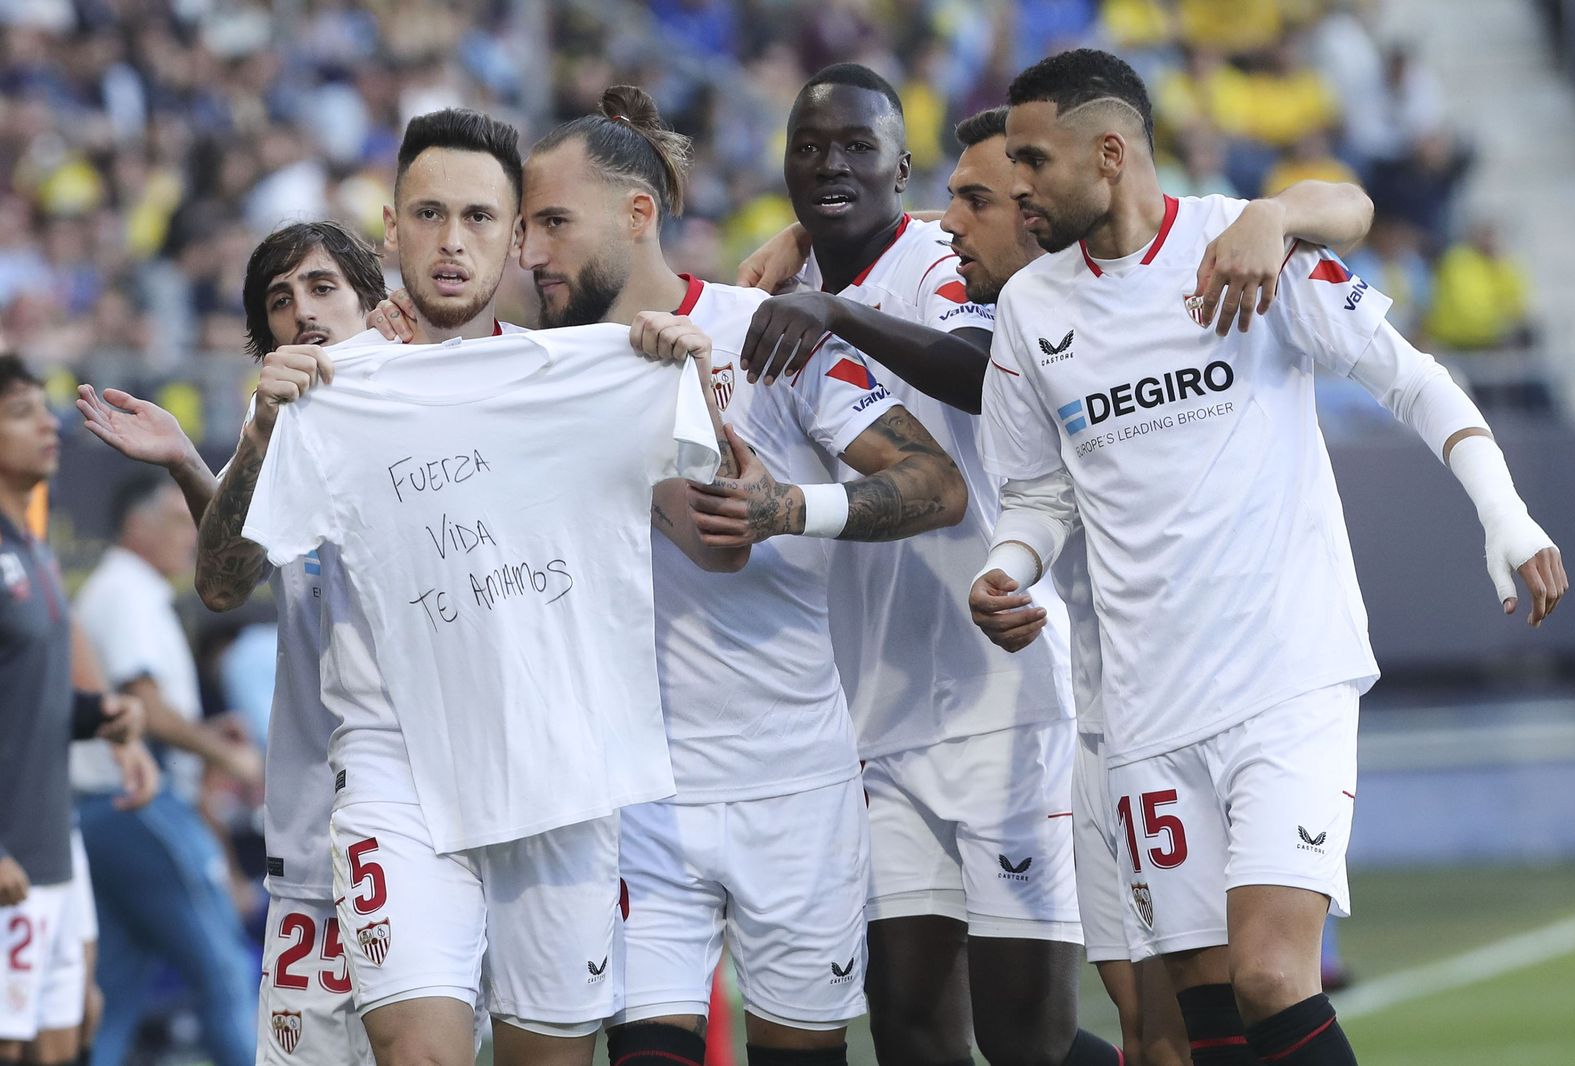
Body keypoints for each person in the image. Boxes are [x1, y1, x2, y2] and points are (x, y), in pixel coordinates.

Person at [974, 48, 1566, 1066]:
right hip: (1147, 709)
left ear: (1108, 153)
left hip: (1283, 676)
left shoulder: (1244, 244)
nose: (1017, 182)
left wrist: (1505, 513)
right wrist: (1007, 567)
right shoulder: (1031, 309)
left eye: (1032, 158)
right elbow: (1034, 494)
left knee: (1270, 976)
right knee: (1207, 1014)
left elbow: (1409, 377)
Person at [242, 107, 732, 1066]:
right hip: (395, 769)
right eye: (428, 215)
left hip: (561, 769)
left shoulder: (590, 372)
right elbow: (227, 576)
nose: (451, 241)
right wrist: (256, 435)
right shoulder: (331, 386)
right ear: (392, 229)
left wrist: (697, 386)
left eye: (477, 218)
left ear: (515, 238)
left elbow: (721, 547)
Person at [515, 87, 966, 1066]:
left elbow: (935, 486)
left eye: (552, 223)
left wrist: (790, 508)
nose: (530, 253)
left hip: (793, 781)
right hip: (635, 795)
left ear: (638, 214)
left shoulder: (765, 333)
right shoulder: (533, 373)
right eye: (524, 229)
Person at [939, 105, 1375, 1066]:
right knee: (1147, 1024)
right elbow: (1033, 495)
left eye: (995, 194)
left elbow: (1349, 205)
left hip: (1181, 699)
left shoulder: (1160, 277)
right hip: (1100, 721)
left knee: (1217, 998)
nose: (960, 222)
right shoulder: (1021, 314)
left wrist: (1274, 210)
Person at [731, 63, 1117, 1066]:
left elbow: (986, 375)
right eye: (810, 147)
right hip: (876, 707)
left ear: (900, 169)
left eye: (857, 147)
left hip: (1007, 693)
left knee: (1024, 1037)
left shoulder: (942, 264)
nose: (832, 164)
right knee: (906, 1026)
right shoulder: (777, 296)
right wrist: (813, 283)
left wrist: (838, 313)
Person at [75, 218, 388, 1066]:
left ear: (373, 303)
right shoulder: (276, 425)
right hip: (311, 812)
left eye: (323, 287)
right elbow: (225, 579)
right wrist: (200, 457)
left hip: (428, 810)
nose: (303, 311)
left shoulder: (425, 397)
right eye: (280, 301)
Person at [72, 473, 264, 1066]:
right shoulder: (125, 590)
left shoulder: (129, 590)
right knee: (224, 971)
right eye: (180, 522)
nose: (193, 536)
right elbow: (147, 711)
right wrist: (229, 756)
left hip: (109, 809)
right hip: (135, 802)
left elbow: (150, 709)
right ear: (138, 525)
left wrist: (207, 736)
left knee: (115, 992)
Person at [0, 355, 150, 1066]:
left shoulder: (32, 546)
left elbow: (27, 695)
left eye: (44, 407)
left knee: (72, 1026)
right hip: (11, 851)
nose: (47, 424)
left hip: (53, 838)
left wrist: (100, 716)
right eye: (21, 411)